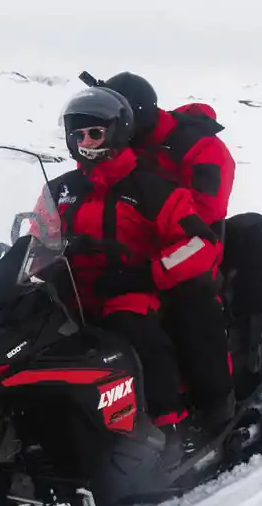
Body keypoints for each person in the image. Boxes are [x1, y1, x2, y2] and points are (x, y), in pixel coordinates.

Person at [48, 87, 223, 483]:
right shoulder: (60, 190)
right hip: (68, 294)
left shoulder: (152, 188)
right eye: (79, 136)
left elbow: (199, 243)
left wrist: (150, 272)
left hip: (132, 290)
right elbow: (38, 237)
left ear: (117, 131)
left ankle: (170, 425)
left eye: (94, 134)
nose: (86, 144)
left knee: (135, 334)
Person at [100, 71, 238, 434]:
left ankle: (214, 402)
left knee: (192, 304)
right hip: (136, 248)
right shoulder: (126, 145)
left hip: (190, 250)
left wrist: (150, 206)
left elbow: (204, 215)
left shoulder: (198, 145)